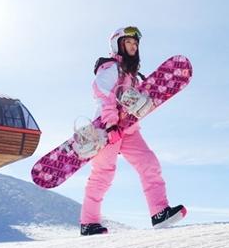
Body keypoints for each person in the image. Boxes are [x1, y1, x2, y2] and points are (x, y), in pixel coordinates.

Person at [80, 26, 187, 236]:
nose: (133, 46)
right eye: (128, 42)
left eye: (135, 44)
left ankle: (159, 212)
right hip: (106, 129)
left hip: (128, 129)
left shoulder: (132, 74)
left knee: (149, 163)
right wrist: (111, 124)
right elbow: (102, 93)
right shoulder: (110, 68)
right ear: (117, 45)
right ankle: (88, 223)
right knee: (103, 174)